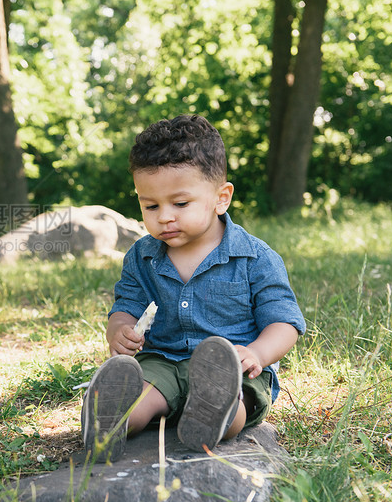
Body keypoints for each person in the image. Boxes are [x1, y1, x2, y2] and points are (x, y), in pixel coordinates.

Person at [81, 114, 306, 462]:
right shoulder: (143, 256)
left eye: (180, 204)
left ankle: (215, 418)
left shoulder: (255, 257)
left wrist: (257, 353)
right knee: (143, 393)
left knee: (237, 401)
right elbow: (125, 305)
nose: (164, 216)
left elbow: (285, 322)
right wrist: (120, 330)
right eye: (150, 206)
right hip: (164, 362)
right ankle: (111, 420)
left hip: (232, 368)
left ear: (221, 197)